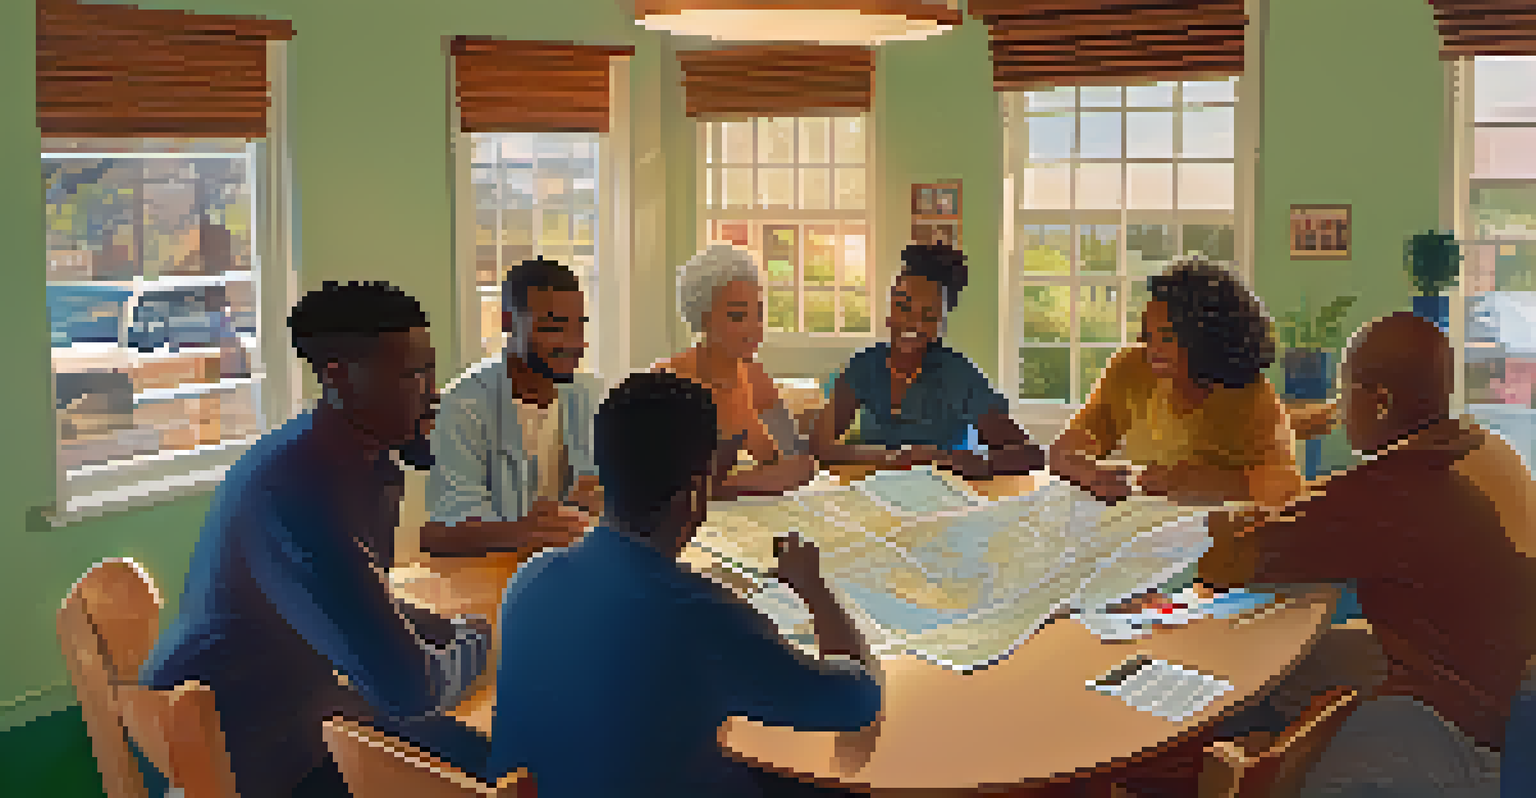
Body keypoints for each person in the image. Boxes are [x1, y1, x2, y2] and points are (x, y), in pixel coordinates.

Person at [140, 282, 493, 798]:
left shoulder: (357, 463)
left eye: (430, 370)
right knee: (489, 761)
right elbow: (408, 688)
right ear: (338, 378)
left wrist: (443, 629)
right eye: (411, 375)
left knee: (478, 752)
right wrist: (481, 643)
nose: (431, 391)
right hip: (229, 757)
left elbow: (359, 596)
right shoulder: (295, 488)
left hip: (285, 714)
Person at [482, 372, 882, 797]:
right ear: (696, 492)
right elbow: (856, 702)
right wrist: (813, 588)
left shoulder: (529, 581)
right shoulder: (702, 614)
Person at [1203, 312, 1536, 796]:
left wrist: (1222, 508)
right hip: (1502, 691)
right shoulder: (1486, 447)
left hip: (1472, 742)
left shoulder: (1399, 488)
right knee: (1309, 661)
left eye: (1347, 391)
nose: (1340, 411)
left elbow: (1228, 563)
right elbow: (1341, 510)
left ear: (1379, 401)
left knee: (1267, 780)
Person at [1050, 256, 1302, 510]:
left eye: (1165, 336)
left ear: (1207, 339)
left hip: (1222, 537)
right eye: (1147, 332)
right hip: (1150, 532)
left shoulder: (1248, 393)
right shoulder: (1130, 368)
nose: (1148, 345)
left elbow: (1287, 484)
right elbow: (1064, 451)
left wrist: (1210, 483)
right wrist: (1090, 473)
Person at [811, 243, 1045, 480]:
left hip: (945, 504)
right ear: (889, 311)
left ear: (941, 325)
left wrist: (952, 459)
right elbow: (820, 445)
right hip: (875, 497)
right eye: (904, 307)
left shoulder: (958, 375)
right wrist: (893, 458)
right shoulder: (864, 366)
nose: (913, 322)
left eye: (928, 315)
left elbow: (1031, 454)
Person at [423, 257, 604, 556]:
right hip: (495, 578)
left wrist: (609, 500)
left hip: (574, 570)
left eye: (580, 327)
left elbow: (608, 491)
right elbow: (445, 527)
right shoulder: (465, 404)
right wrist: (524, 530)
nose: (574, 343)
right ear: (508, 322)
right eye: (554, 327)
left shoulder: (590, 394)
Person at [655, 244, 818, 499]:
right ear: (703, 317)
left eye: (759, 315)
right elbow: (668, 485)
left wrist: (724, 485)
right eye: (738, 316)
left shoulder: (757, 380)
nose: (753, 329)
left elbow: (800, 462)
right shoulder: (667, 380)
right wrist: (759, 480)